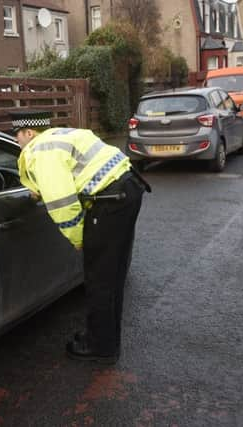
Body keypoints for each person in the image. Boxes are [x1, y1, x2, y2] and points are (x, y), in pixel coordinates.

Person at [10, 110, 151, 363]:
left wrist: (78, 238)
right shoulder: (60, 136)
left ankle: (101, 346)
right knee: (113, 273)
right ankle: (107, 337)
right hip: (129, 188)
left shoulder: (40, 152)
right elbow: (78, 173)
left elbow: (63, 204)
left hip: (110, 201)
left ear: (29, 133)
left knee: (99, 278)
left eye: (17, 136)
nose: (17, 142)